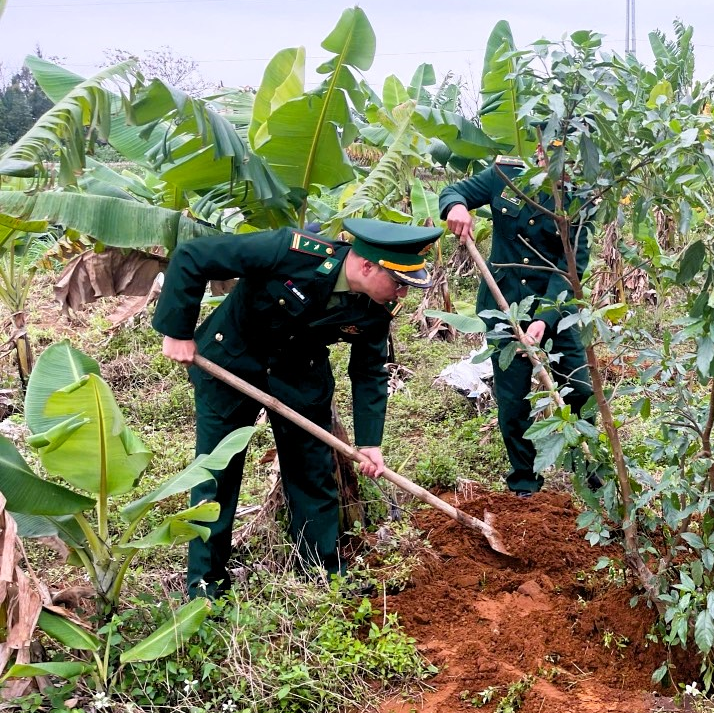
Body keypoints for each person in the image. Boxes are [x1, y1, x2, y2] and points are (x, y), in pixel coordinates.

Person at [153, 218, 440, 599]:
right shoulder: (289, 250)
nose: (402, 294)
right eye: (399, 282)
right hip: (230, 362)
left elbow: (369, 371)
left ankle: (320, 572)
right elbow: (193, 256)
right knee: (216, 473)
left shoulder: (376, 308)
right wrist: (178, 331)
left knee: (312, 472)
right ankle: (206, 586)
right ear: (368, 266)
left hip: (299, 374)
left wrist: (371, 443)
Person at [439, 150, 596, 496]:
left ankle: (591, 473)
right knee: (513, 400)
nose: (549, 159)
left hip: (556, 309)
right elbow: (454, 191)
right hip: (503, 307)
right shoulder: (504, 174)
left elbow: (571, 267)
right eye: (545, 151)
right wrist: (456, 206)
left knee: (581, 391)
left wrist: (544, 319)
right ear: (537, 150)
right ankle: (525, 481)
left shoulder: (580, 198)